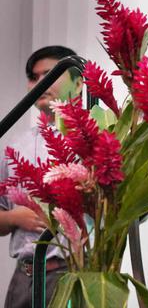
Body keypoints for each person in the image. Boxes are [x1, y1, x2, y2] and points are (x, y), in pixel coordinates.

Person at [0, 45, 82, 307]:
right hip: (23, 280)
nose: (40, 83)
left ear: (79, 83)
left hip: (75, 276)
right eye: (34, 78)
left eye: (50, 74)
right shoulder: (14, 147)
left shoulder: (97, 139)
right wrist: (13, 217)